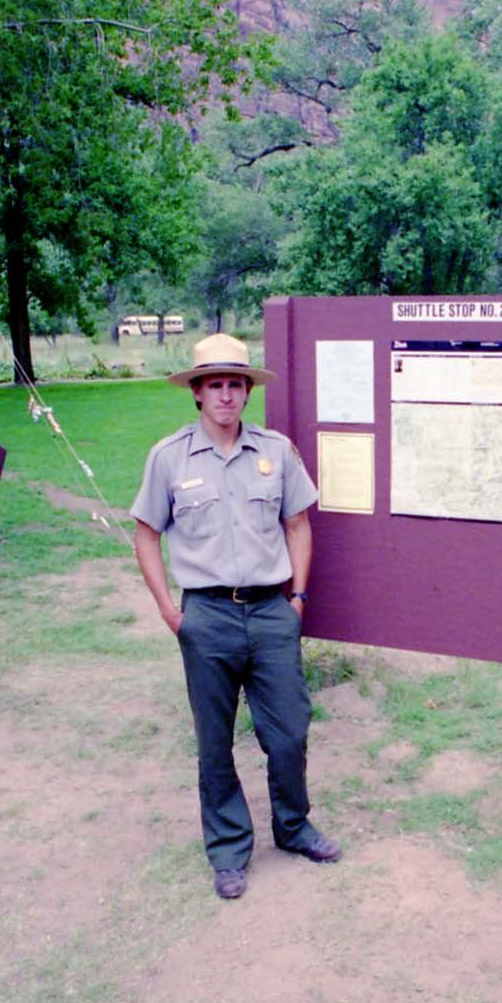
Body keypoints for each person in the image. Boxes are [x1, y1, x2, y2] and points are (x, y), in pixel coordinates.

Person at [131, 332, 342, 900]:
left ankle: (294, 827)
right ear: (197, 392)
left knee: (290, 731)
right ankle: (228, 850)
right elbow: (146, 533)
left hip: (272, 611)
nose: (226, 394)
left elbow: (298, 524)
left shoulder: (276, 452)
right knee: (214, 742)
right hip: (207, 616)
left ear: (248, 392)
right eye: (215, 384)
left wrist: (298, 599)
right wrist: (168, 609)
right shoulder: (169, 457)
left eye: (235, 384)